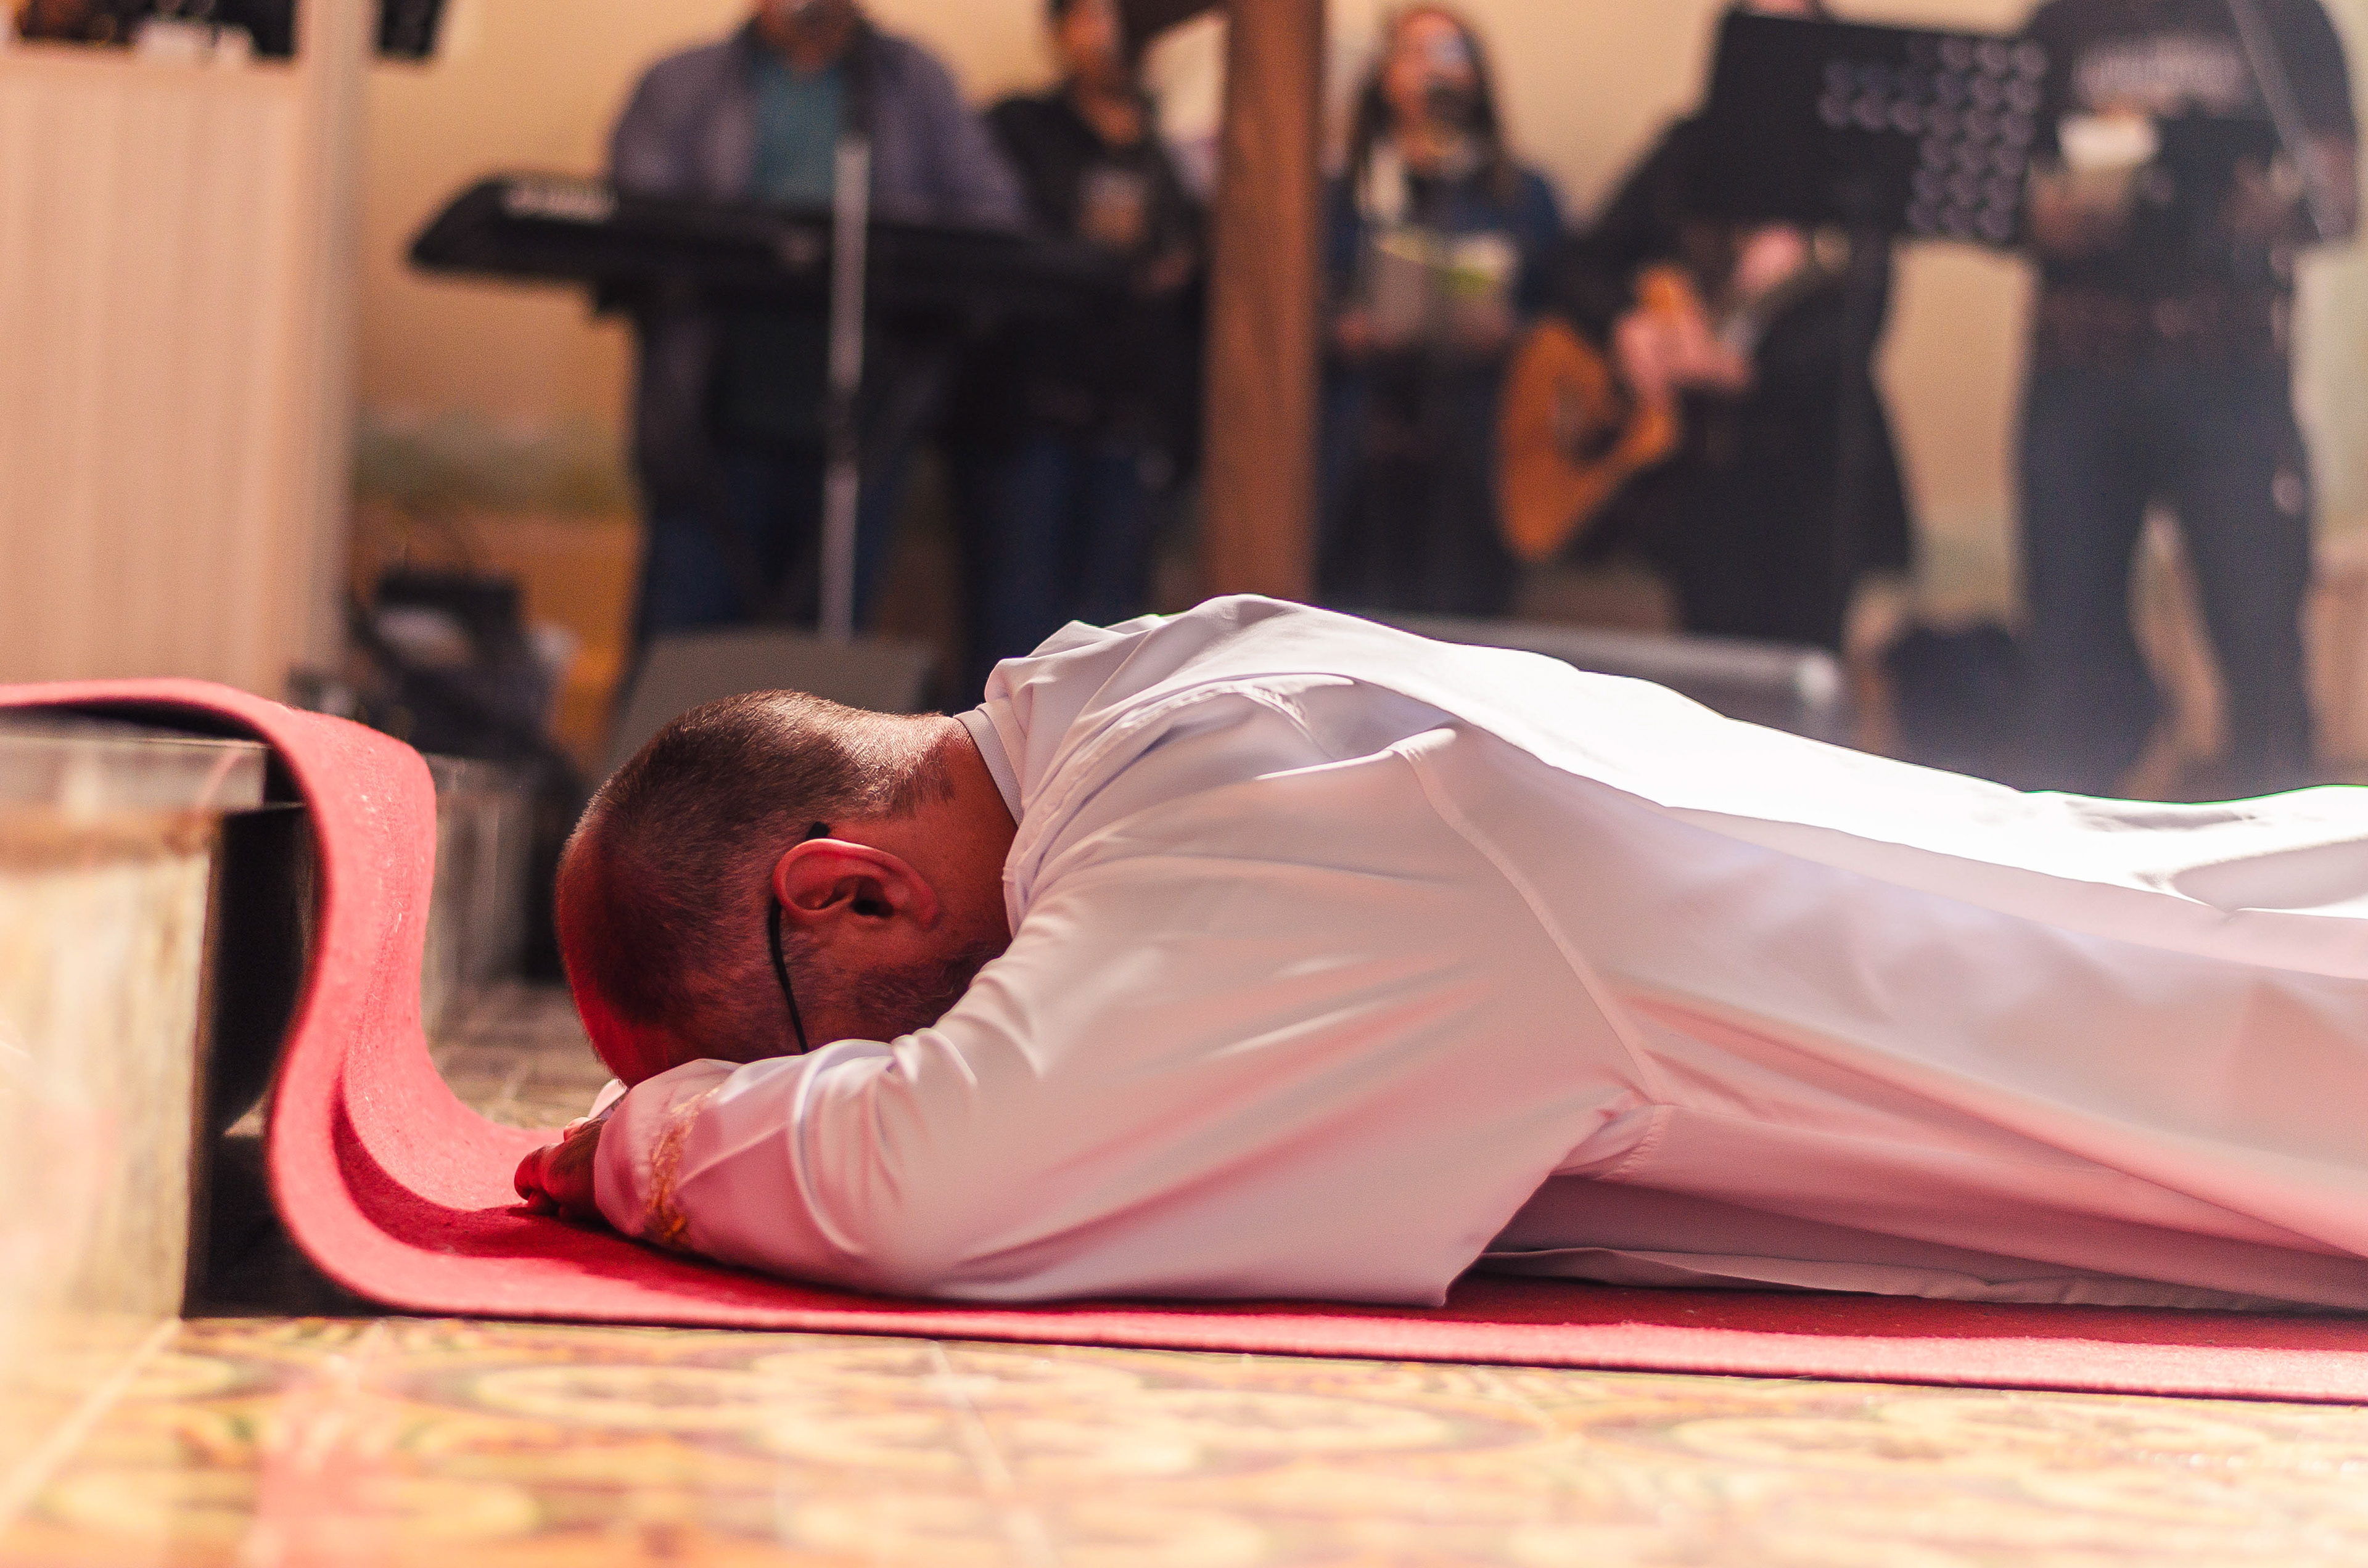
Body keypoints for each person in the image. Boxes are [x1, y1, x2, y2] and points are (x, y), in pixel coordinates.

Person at [525, 595, 2368, 1313]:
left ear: (851, 894)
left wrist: (634, 1143)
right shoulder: (1143, 698)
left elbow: (932, 1180)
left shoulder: (1252, 830)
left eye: (785, 1056)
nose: (825, 1087)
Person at [2016, 0, 2357, 797]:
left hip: (2233, 380)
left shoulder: (2280, 23)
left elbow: (2338, 203)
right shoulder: (2062, 22)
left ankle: (2277, 861)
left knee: (2262, 650)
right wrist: (2051, 217)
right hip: (2080, 378)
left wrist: (2275, 207)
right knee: (2067, 658)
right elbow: (1991, 188)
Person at [609, 0, 1024, 645]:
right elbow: (634, 223)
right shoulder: (684, 82)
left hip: (861, 433)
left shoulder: (911, 83)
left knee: (821, 661)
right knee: (684, 643)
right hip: (709, 429)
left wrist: (889, 248)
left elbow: (993, 214)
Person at [1550, 0, 1914, 652]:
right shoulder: (1687, 153)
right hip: (1698, 465)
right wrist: (1627, 327)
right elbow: (1581, 267)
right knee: (1711, 651)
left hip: (1815, 465)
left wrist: (1748, 370)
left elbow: (1863, 325)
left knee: (1804, 658)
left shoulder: (1852, 170)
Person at [950, 0, 1204, 700]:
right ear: (1060, 32)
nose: (1112, 34)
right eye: (1093, 16)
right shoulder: (1018, 128)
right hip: (1023, 421)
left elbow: (1187, 268)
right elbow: (1006, 248)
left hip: (1128, 426)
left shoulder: (1168, 148)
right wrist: (1115, 265)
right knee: (1013, 638)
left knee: (1113, 645)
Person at [1317, 7, 1563, 618]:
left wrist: (1512, 332)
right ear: (1384, 76)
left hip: (1475, 449)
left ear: (1476, 75)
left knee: (1465, 620)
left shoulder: (1521, 195)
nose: (1434, 71)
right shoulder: (1342, 191)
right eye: (1414, 53)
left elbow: (1562, 312)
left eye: (1450, 54)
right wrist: (1345, 329)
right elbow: (1298, 306)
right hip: (1363, 449)